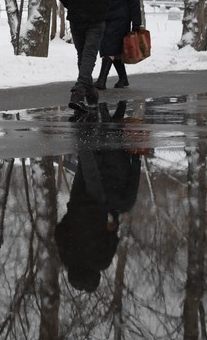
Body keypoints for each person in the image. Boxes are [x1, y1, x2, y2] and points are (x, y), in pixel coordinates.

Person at [55, 102, 142, 292]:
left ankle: (88, 122)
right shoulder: (67, 256)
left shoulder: (101, 262)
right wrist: (71, 218)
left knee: (91, 169)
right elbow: (59, 231)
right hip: (78, 205)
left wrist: (110, 224)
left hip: (98, 205)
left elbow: (112, 237)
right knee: (85, 166)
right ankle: (86, 121)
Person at [94, 0, 142, 90]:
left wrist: (136, 23)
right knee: (113, 49)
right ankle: (123, 79)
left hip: (120, 19)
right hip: (103, 19)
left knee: (109, 48)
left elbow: (134, 0)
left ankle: (101, 81)